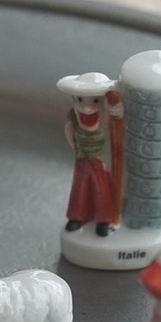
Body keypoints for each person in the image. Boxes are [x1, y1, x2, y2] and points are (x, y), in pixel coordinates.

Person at [57, 71, 122, 237]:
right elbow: (70, 131)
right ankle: (77, 217)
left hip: (100, 159)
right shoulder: (74, 117)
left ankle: (104, 220)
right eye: (80, 100)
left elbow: (115, 131)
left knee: (101, 187)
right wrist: (77, 150)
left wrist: (117, 113)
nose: (86, 108)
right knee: (80, 187)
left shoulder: (106, 117)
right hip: (82, 157)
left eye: (95, 101)